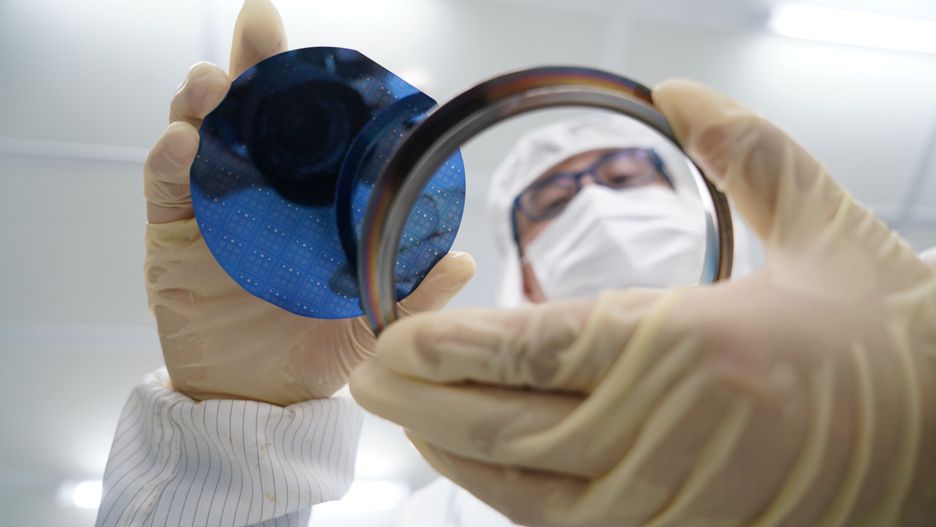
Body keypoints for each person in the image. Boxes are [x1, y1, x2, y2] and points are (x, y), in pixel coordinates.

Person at [97, 1, 936, 526]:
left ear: (708, 211)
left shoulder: (887, 368)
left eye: (624, 175)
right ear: (526, 279)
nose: (598, 205)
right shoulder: (442, 515)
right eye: (555, 198)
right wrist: (231, 439)